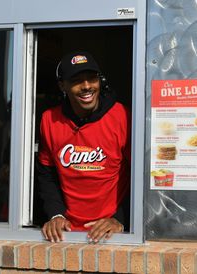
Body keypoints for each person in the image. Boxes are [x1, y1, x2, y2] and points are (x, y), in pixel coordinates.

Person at [37, 51, 131, 243]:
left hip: (112, 233)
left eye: (92, 79)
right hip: (67, 234)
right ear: (63, 85)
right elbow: (46, 174)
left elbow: (142, 177)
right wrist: (55, 214)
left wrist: (120, 219)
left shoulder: (122, 116)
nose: (87, 86)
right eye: (77, 80)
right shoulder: (49, 120)